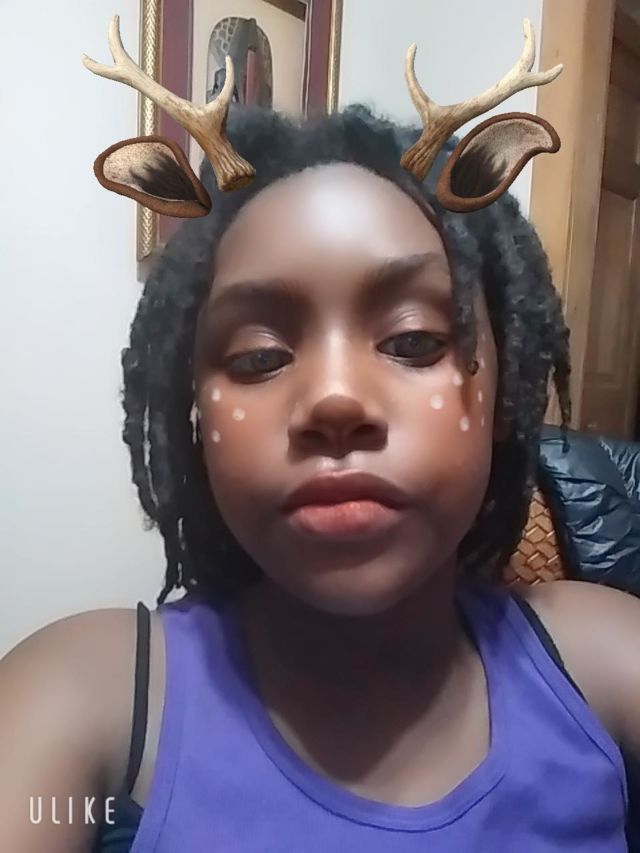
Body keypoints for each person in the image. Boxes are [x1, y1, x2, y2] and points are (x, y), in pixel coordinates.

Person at [2, 18, 640, 853]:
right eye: (258, 356)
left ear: (503, 393)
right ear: (195, 419)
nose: (335, 400)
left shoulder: (607, 660)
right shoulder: (79, 698)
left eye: (414, 341)